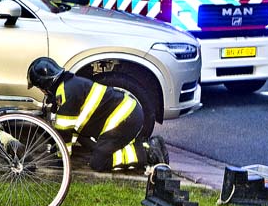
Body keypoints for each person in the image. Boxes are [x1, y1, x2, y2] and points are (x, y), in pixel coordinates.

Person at [27, 57, 168, 172]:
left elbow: (64, 133)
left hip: (124, 117)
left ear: (45, 84)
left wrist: (61, 157)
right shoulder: (69, 85)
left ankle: (146, 152)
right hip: (127, 112)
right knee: (98, 148)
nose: (42, 92)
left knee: (98, 163)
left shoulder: (65, 94)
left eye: (40, 88)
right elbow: (75, 129)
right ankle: (132, 146)